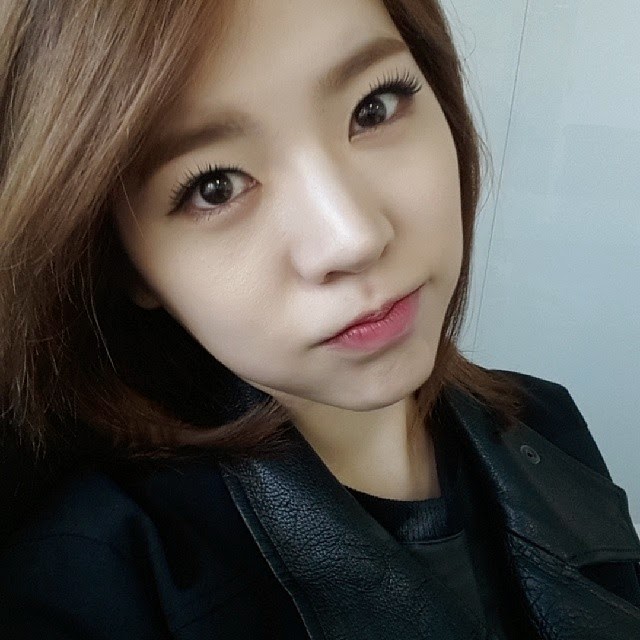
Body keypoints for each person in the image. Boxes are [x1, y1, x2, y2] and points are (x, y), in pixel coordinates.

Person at [0, 0, 639, 638]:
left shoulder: (548, 424)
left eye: (374, 107)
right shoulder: (95, 578)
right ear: (125, 265)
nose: (354, 237)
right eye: (215, 185)